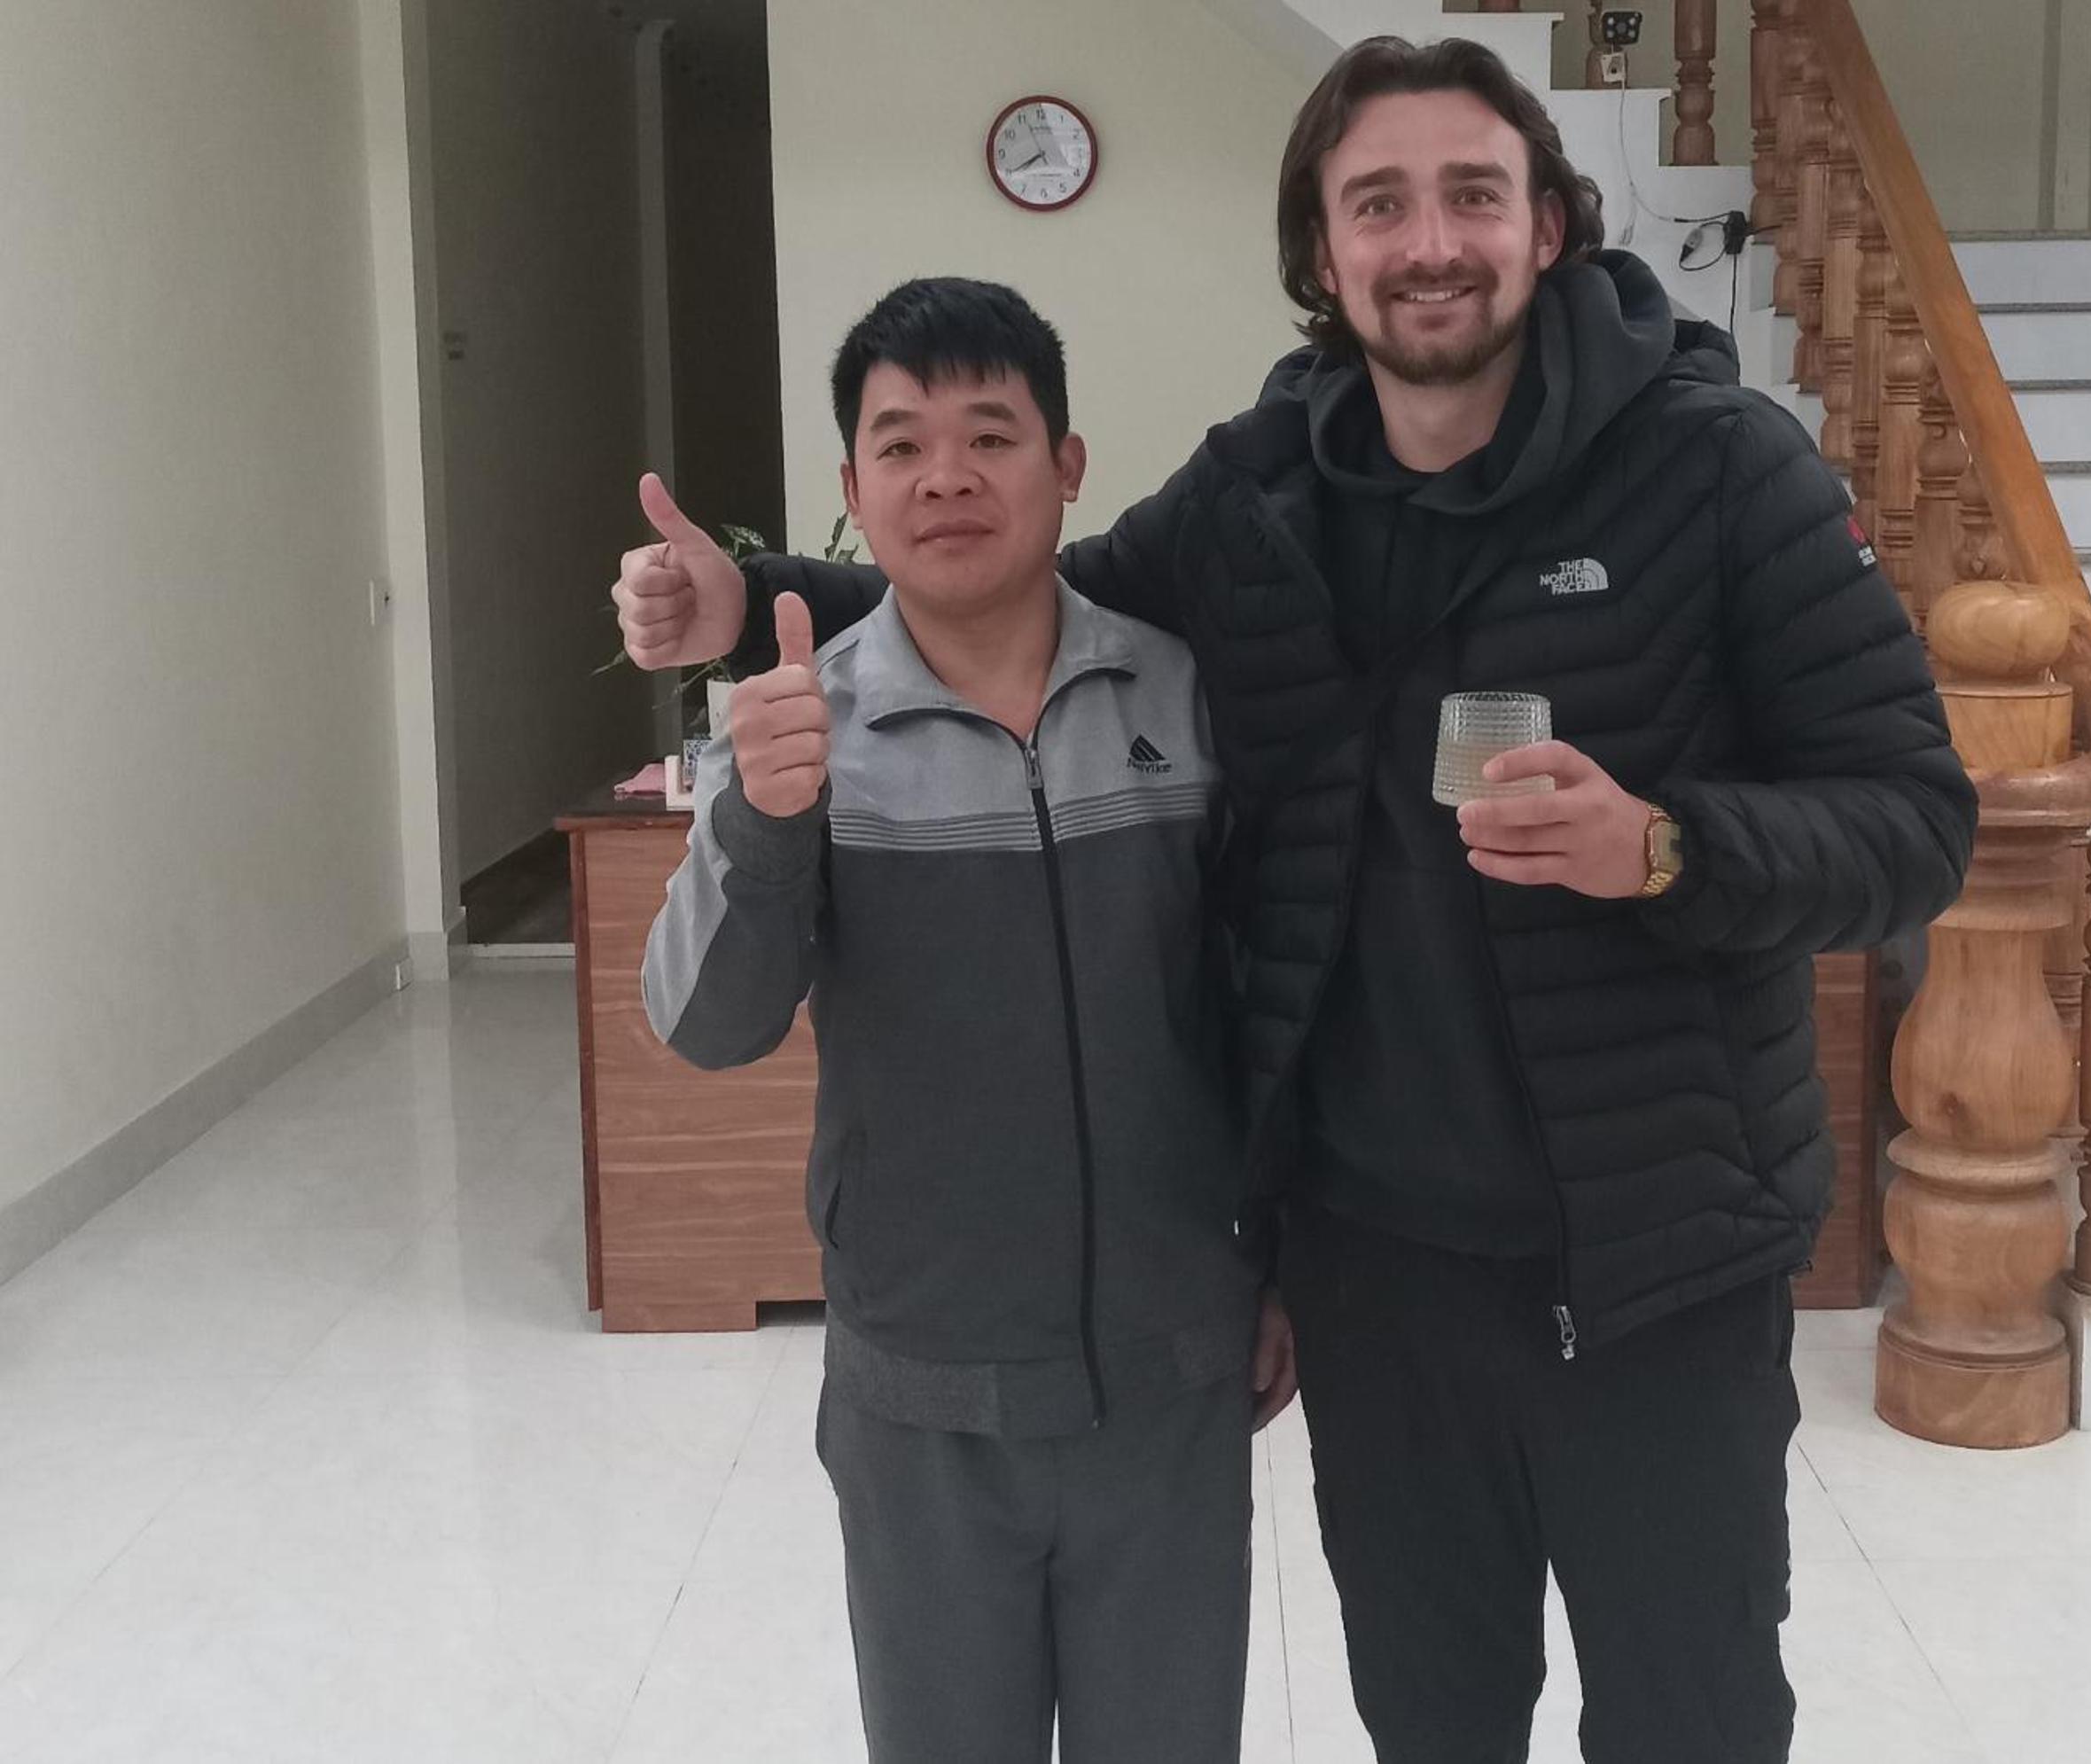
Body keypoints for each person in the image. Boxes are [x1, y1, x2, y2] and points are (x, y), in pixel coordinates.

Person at [617, 37, 1975, 1764]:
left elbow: (1913, 822)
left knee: (1688, 1721)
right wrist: (752, 604)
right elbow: (1028, 589)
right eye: (1378, 204)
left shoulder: (1722, 469)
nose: (1430, 242)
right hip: (1378, 1267)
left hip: (1656, 1258)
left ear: (1548, 225)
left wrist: (1667, 846)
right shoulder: (1260, 489)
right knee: (1432, 1718)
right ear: (1321, 255)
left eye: (1472, 194)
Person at [640, 277, 1290, 1764]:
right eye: (900, 445)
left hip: (1173, 1379)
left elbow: (1266, 1003)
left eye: (990, 435)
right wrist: (765, 817)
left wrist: (1281, 1257)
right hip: (922, 1394)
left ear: (1067, 466)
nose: (945, 477)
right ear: (855, 490)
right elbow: (705, 1025)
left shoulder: (1182, 698)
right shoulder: (796, 727)